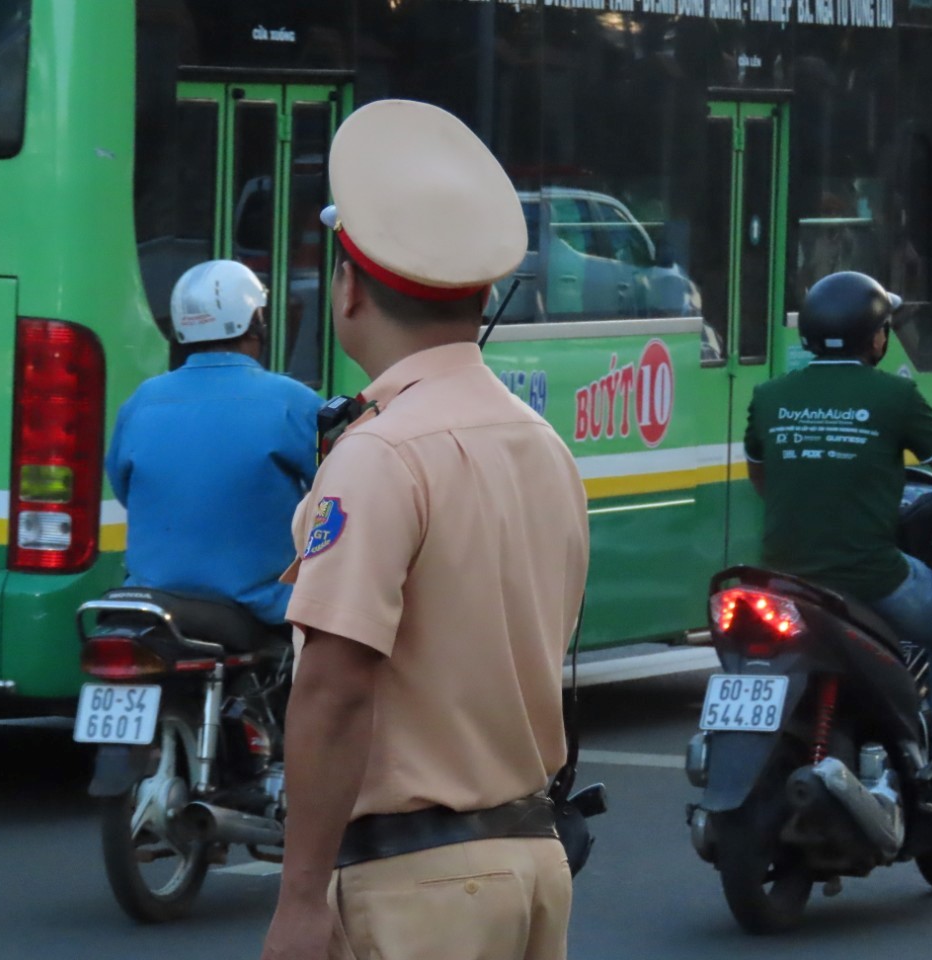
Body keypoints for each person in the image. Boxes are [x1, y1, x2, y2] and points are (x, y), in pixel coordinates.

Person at [259, 100, 590, 960]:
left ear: (351, 286)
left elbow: (334, 686)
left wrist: (300, 899)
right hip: (531, 866)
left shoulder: (382, 456)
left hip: (416, 892)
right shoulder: (540, 444)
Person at [744, 270, 932, 813]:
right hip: (870, 577)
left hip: (785, 580)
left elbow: (763, 480)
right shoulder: (896, 396)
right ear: (876, 337)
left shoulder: (769, 397)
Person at [106, 259, 322, 625]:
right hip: (263, 605)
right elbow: (340, 490)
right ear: (255, 322)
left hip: (151, 601)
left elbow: (125, 487)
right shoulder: (293, 401)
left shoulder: (142, 400)